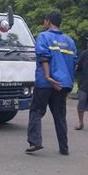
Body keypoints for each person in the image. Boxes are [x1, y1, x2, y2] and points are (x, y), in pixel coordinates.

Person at [26, 11, 76, 156]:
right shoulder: (70, 41)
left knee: (36, 111)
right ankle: (64, 147)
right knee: (60, 116)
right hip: (62, 84)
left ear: (48, 21)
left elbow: (44, 57)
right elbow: (73, 63)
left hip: (45, 83)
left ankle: (35, 142)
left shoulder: (43, 36)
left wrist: (48, 76)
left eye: (44, 20)